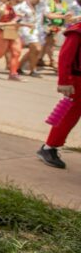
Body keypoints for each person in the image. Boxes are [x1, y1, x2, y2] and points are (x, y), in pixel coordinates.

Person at [37, 17, 81, 169]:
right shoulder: (77, 31)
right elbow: (65, 56)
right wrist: (64, 80)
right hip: (77, 80)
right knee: (69, 114)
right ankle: (50, 147)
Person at [41, 0, 69, 71]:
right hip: (48, 25)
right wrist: (61, 16)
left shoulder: (63, 3)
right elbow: (48, 15)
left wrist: (64, 22)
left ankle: (40, 59)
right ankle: (52, 61)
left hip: (58, 26)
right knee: (50, 43)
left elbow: (66, 14)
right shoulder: (49, 1)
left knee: (47, 44)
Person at [16, 0, 43, 77]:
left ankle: (18, 67)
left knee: (33, 50)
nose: (39, 1)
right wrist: (26, 24)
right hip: (25, 29)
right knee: (37, 48)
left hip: (34, 30)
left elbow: (47, 14)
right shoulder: (22, 6)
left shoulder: (38, 6)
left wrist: (62, 17)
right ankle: (33, 70)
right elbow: (17, 20)